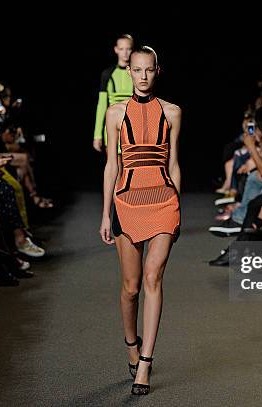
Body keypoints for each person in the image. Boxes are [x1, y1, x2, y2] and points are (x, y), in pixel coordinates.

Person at [100, 46, 181, 396]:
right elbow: (111, 166)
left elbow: (174, 160)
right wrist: (105, 213)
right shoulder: (116, 113)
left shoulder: (173, 112)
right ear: (129, 72)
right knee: (131, 287)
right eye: (137, 70)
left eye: (149, 70)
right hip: (126, 200)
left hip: (163, 199)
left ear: (157, 71)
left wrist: (178, 200)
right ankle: (131, 345)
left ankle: (145, 363)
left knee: (153, 277)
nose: (143, 76)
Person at [93, 34, 134, 152]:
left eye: (128, 49)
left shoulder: (137, 73)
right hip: (112, 126)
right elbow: (101, 106)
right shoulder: (107, 74)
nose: (125, 52)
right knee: (114, 167)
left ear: (132, 49)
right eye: (121, 49)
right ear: (116, 50)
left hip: (133, 125)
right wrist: (97, 135)